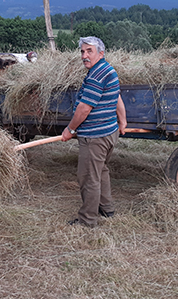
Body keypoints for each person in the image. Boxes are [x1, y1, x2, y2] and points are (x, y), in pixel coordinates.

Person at [62, 36, 127, 227]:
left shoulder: (97, 75)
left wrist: (70, 129)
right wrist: (122, 121)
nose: (84, 55)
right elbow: (117, 97)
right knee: (101, 171)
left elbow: (84, 108)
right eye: (82, 51)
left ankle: (88, 220)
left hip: (95, 137)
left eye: (89, 51)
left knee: (89, 178)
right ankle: (107, 209)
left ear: (101, 53)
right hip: (109, 133)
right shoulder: (108, 70)